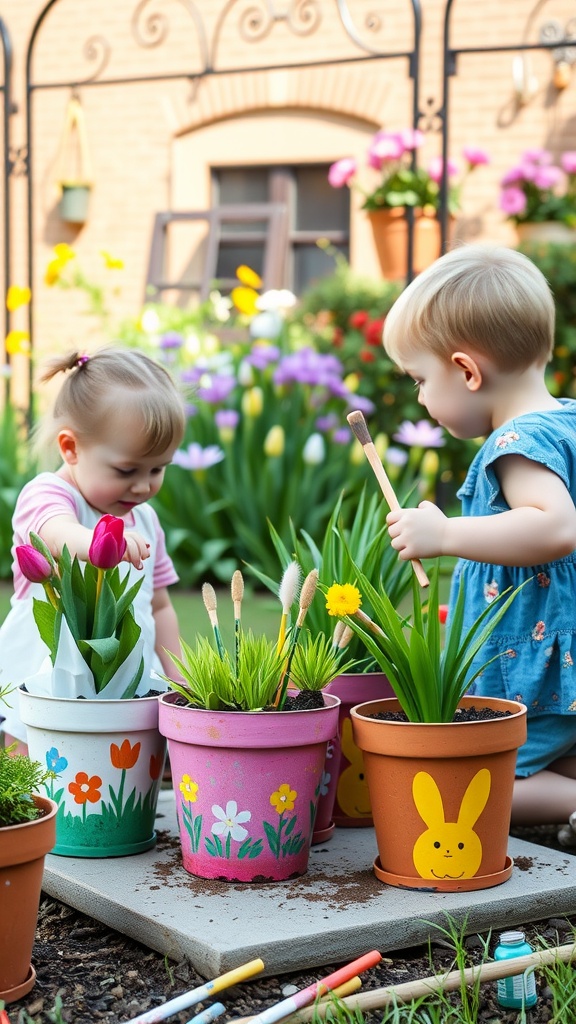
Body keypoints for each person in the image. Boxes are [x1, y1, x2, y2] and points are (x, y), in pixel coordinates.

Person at [382, 243, 576, 846]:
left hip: (533, 665)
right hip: (558, 656)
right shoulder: (565, 420)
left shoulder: (514, 441)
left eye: (420, 380)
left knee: (474, 781)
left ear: (467, 371)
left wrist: (446, 534)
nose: (419, 397)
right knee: (550, 760)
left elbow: (554, 526)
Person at [0, 346, 186, 750]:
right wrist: (103, 543)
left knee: (120, 767)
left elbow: (159, 606)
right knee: (31, 760)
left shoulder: (147, 521)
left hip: (122, 678)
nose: (143, 486)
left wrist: (179, 676)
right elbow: (54, 532)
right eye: (126, 470)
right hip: (44, 672)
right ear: (71, 448)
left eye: (158, 469)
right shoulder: (49, 494)